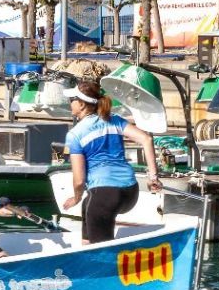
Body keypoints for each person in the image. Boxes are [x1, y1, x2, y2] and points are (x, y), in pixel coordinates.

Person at [60, 79, 162, 244]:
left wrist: (76, 196)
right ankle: (85, 247)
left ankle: (98, 261)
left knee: (102, 252)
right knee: (87, 205)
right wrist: (153, 177)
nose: (69, 103)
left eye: (72, 100)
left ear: (82, 105)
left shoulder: (75, 135)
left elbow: (79, 181)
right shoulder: (114, 119)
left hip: (106, 196)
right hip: (130, 192)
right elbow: (146, 139)